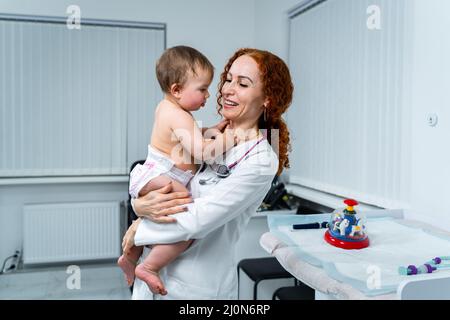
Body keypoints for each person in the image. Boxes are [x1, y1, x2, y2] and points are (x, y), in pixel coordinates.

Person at [122, 48, 294, 299]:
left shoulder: (260, 158)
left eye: (243, 83)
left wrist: (140, 228)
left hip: (195, 290)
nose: (226, 89)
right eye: (228, 79)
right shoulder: (208, 136)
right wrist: (139, 206)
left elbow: (198, 218)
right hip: (151, 279)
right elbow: (158, 173)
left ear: (267, 98)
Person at [117, 46, 237, 295]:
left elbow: (188, 140)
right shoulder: (180, 116)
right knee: (186, 221)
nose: (207, 95)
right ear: (177, 90)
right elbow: (202, 152)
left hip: (154, 173)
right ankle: (149, 267)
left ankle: (130, 256)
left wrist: (213, 130)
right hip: (164, 175)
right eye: (202, 89)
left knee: (159, 216)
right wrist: (232, 138)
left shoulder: (168, 109)